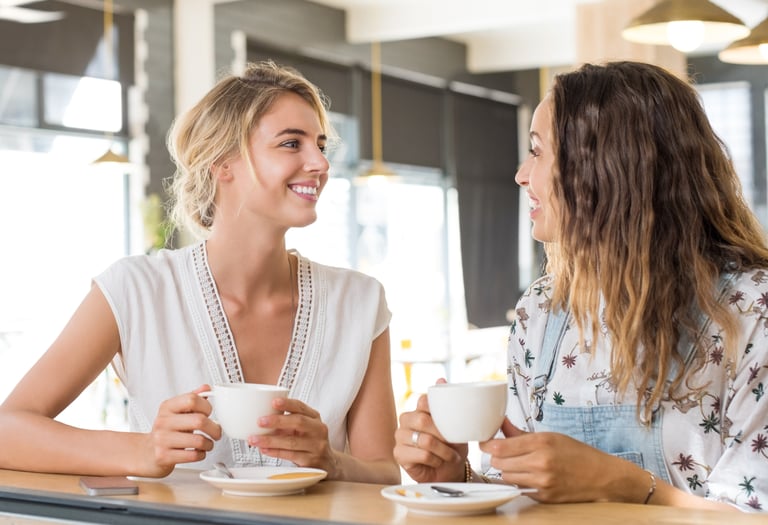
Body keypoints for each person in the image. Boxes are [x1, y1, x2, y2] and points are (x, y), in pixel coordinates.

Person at [0, 61, 401, 485]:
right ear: (222, 163)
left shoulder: (360, 302)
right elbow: (8, 429)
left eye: (320, 145)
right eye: (291, 144)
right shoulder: (135, 290)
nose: (320, 163)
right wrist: (143, 450)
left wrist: (333, 463)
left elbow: (384, 473)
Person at [394, 61, 768, 511]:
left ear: (606, 168)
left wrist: (622, 484)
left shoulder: (751, 312)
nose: (521, 175)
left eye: (537, 152)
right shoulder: (541, 310)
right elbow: (520, 495)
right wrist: (459, 476)